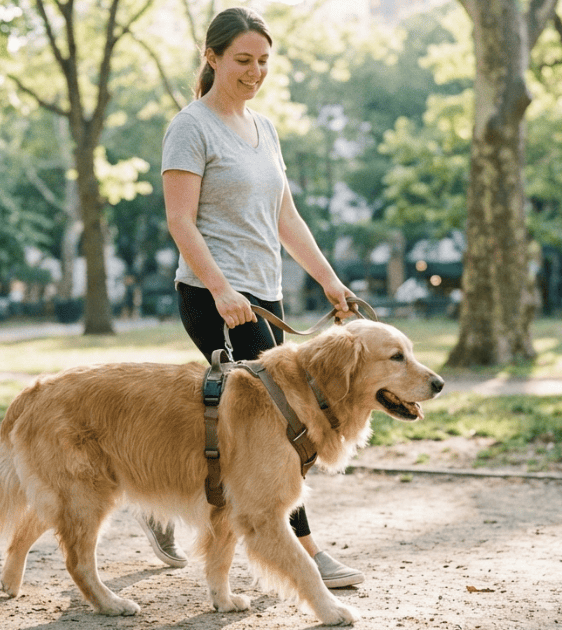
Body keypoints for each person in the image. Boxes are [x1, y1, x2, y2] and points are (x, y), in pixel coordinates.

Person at [141, 6, 363, 589]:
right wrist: (220, 289)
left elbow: (285, 216)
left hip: (266, 297)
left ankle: (159, 497)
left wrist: (328, 280)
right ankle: (308, 551)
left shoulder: (263, 129)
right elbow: (180, 221)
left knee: (234, 425)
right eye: (243, 60)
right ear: (211, 57)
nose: (255, 71)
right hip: (214, 297)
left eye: (263, 61)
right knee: (286, 423)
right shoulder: (190, 126)